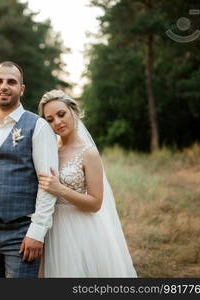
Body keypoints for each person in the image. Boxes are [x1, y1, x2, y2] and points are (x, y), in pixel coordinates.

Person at [0, 61, 59, 278]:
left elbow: (48, 183)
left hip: (22, 231)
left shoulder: (39, 126)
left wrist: (37, 231)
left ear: (21, 89)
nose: (4, 86)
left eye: (11, 82)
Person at [37, 89, 137, 277]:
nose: (57, 122)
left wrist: (60, 189)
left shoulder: (88, 153)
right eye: (49, 120)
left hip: (81, 228)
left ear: (73, 111)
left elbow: (96, 203)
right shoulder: (48, 150)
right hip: (52, 228)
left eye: (61, 114)